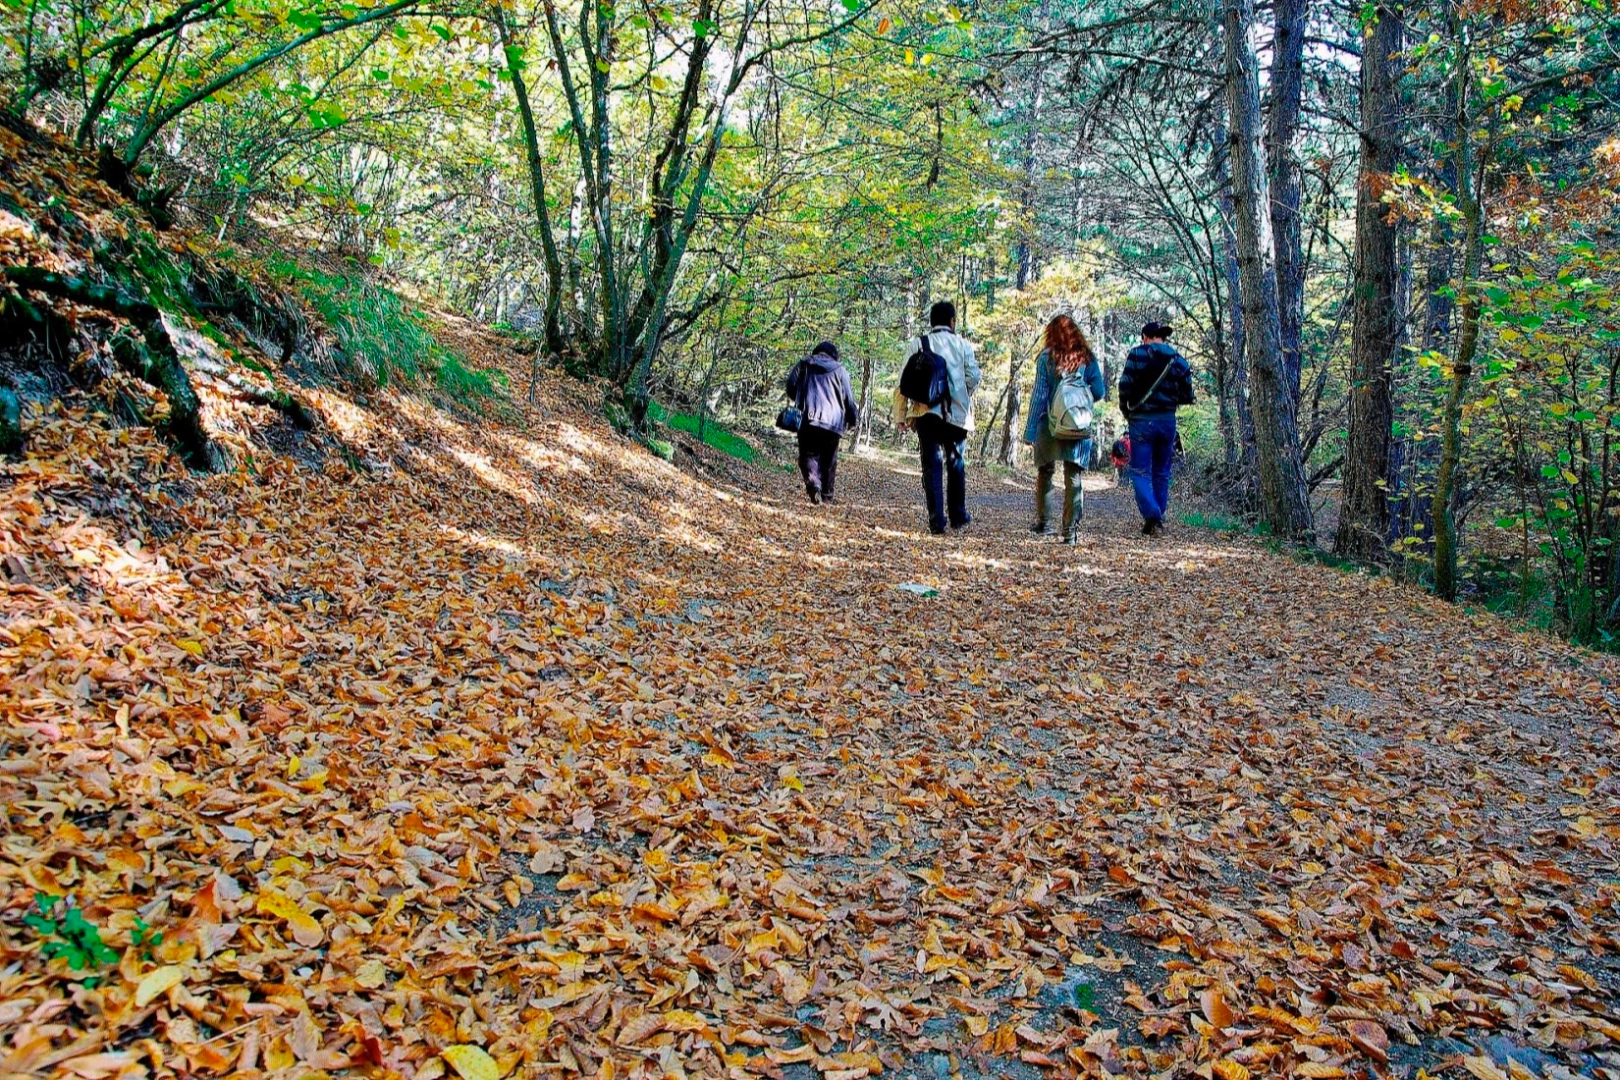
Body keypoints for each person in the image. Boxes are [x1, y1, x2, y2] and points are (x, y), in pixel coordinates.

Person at [895, 301, 981, 535]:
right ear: (952, 322)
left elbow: (903, 383)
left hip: (926, 413)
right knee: (956, 463)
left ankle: (936, 520)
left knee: (931, 465)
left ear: (932, 322)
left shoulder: (919, 343)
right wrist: (962, 392)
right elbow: (974, 377)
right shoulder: (963, 345)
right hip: (957, 414)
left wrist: (901, 415)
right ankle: (958, 516)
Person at [1023, 314, 1108, 543]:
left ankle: (1044, 523)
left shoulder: (1045, 359)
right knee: (1073, 475)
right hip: (1077, 425)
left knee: (1046, 472)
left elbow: (1039, 396)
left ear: (1051, 334)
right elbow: (1099, 392)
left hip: (1049, 424)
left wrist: (1030, 430)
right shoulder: (1087, 359)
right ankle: (1070, 532)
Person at [1117, 321, 1195, 535]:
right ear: (1163, 337)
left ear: (1145, 336)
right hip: (1167, 421)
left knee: (1140, 471)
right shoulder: (1178, 360)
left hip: (1141, 420)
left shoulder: (1136, 355)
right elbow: (1188, 395)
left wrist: (1126, 410)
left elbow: (1124, 387)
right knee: (1162, 472)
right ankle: (1158, 516)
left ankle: (1152, 514)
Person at [783, 340, 859, 505]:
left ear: (817, 351)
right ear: (834, 356)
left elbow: (790, 384)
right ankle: (827, 497)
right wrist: (853, 419)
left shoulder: (804, 363)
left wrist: (799, 398)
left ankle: (813, 483)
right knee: (829, 460)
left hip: (808, 418)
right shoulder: (840, 370)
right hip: (833, 422)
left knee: (808, 455)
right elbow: (849, 399)